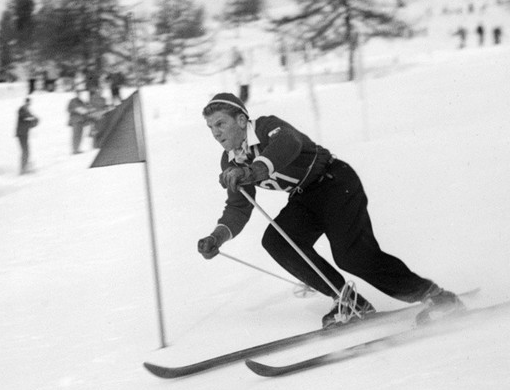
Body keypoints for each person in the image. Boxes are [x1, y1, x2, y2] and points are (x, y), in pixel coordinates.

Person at [197, 92, 463, 328]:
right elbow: (239, 206)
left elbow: (288, 144)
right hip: (305, 197)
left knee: (353, 257)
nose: (216, 133)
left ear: (242, 120)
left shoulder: (266, 126)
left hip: (335, 182)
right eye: (211, 128)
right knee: (277, 241)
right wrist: (217, 237)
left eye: (221, 123)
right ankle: (349, 301)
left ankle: (435, 296)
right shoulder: (230, 161)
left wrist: (255, 170)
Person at [15, 97, 39, 174]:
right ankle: (23, 168)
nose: (28, 104)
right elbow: (25, 117)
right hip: (21, 133)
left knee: (26, 150)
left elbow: (32, 123)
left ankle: (25, 167)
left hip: (25, 133)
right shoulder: (22, 109)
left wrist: (35, 120)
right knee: (25, 151)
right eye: (27, 103)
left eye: (29, 103)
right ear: (25, 102)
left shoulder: (27, 111)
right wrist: (33, 118)